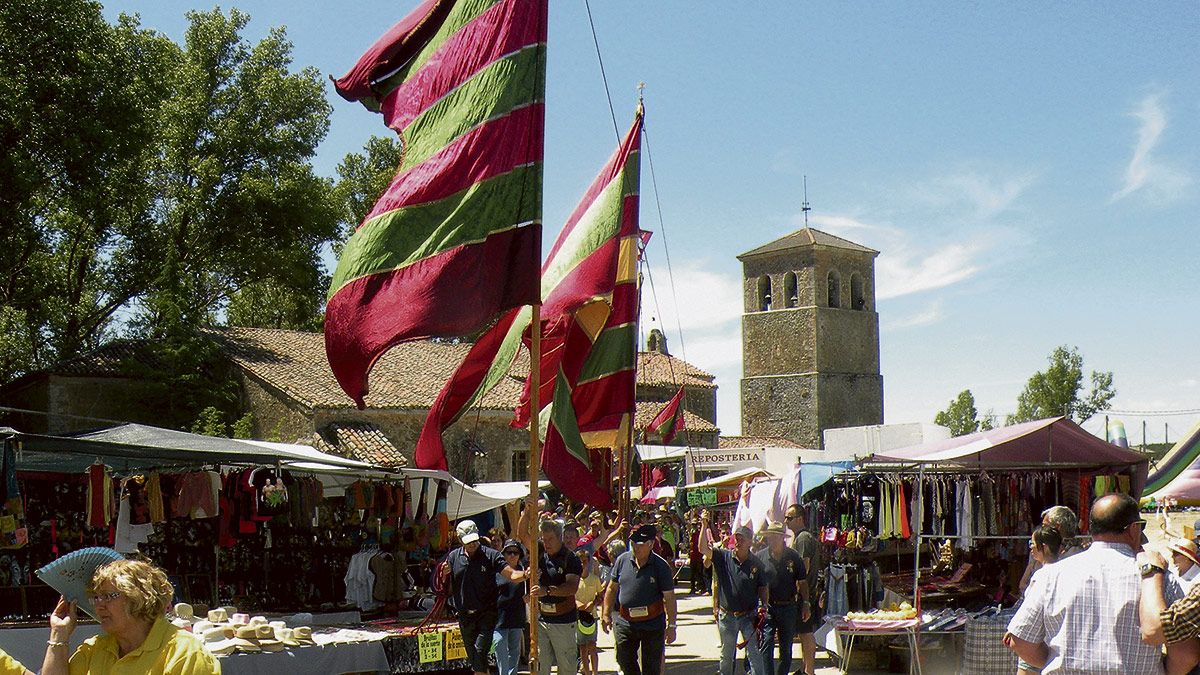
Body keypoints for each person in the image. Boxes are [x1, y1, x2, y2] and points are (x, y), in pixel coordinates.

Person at [1003, 494, 1163, 674]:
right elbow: (1185, 654)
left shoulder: (1050, 575)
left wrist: (1056, 662)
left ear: (1093, 529)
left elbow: (1019, 641)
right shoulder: (1155, 577)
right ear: (1134, 529)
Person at [41, 558, 220, 674]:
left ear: (140, 598)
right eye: (96, 597)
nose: (98, 604)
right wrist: (59, 634)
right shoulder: (95, 649)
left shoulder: (185, 653)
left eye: (109, 596)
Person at [444, 520, 528, 675]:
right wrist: (443, 575)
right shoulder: (453, 557)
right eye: (469, 541)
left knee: (480, 652)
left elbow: (510, 573)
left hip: (486, 615)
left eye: (475, 540)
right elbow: (445, 587)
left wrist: (524, 575)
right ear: (460, 539)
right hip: (465, 617)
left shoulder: (491, 555)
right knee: (476, 660)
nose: (473, 544)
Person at [601, 524, 678, 675]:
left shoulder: (660, 566)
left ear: (650, 544)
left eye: (640, 544)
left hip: (652, 623)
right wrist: (606, 613)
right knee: (623, 659)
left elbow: (669, 597)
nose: (636, 547)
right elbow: (611, 588)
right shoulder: (622, 560)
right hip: (626, 621)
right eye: (633, 543)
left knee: (651, 667)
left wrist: (672, 625)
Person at [702, 520, 768, 675]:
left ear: (750, 542)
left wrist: (764, 605)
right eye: (737, 538)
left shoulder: (756, 563)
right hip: (728, 616)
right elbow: (703, 549)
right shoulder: (723, 557)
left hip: (749, 616)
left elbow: (763, 587)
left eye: (742, 538)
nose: (738, 541)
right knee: (726, 655)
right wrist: (705, 526)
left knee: (754, 654)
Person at [523, 518, 582, 675]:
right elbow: (522, 534)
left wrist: (547, 591)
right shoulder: (541, 554)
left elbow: (571, 587)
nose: (547, 543)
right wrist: (527, 511)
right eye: (544, 539)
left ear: (560, 537)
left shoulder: (571, 558)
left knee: (566, 667)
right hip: (541, 619)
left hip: (563, 620)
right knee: (540, 665)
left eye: (550, 539)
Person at [758, 521, 806, 675]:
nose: (772, 540)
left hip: (788, 607)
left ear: (782, 538)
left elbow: (802, 581)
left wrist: (806, 603)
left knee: (786, 648)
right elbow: (756, 583)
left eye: (776, 537)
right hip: (769, 607)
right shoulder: (760, 557)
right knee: (766, 643)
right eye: (770, 537)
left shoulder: (793, 556)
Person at [784, 504, 818, 675]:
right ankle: (805, 668)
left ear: (799, 518)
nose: (786, 521)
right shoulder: (801, 537)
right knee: (803, 632)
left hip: (806, 593)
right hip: (805, 593)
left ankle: (809, 671)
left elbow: (803, 568)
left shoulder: (803, 538)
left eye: (789, 518)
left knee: (806, 633)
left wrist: (798, 593)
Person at [1018, 506, 1080, 595]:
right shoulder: (1038, 549)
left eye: (1045, 526)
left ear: (1057, 527)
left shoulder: (1074, 554)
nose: (1041, 530)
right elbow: (1022, 585)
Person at [494, 539, 528, 675]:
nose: (512, 555)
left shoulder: (524, 572)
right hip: (499, 618)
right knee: (500, 646)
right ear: (504, 554)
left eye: (515, 552)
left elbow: (533, 589)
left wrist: (529, 597)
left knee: (514, 652)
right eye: (509, 552)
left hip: (517, 617)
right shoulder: (497, 571)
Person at [574, 543, 603, 675]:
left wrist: (593, 603)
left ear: (588, 562)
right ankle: (586, 671)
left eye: (584, 562)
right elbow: (570, 597)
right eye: (579, 562)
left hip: (592, 617)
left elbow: (600, 596)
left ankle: (595, 672)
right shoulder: (574, 580)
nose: (582, 564)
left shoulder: (595, 579)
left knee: (592, 646)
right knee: (582, 647)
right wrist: (580, 605)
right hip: (579, 617)